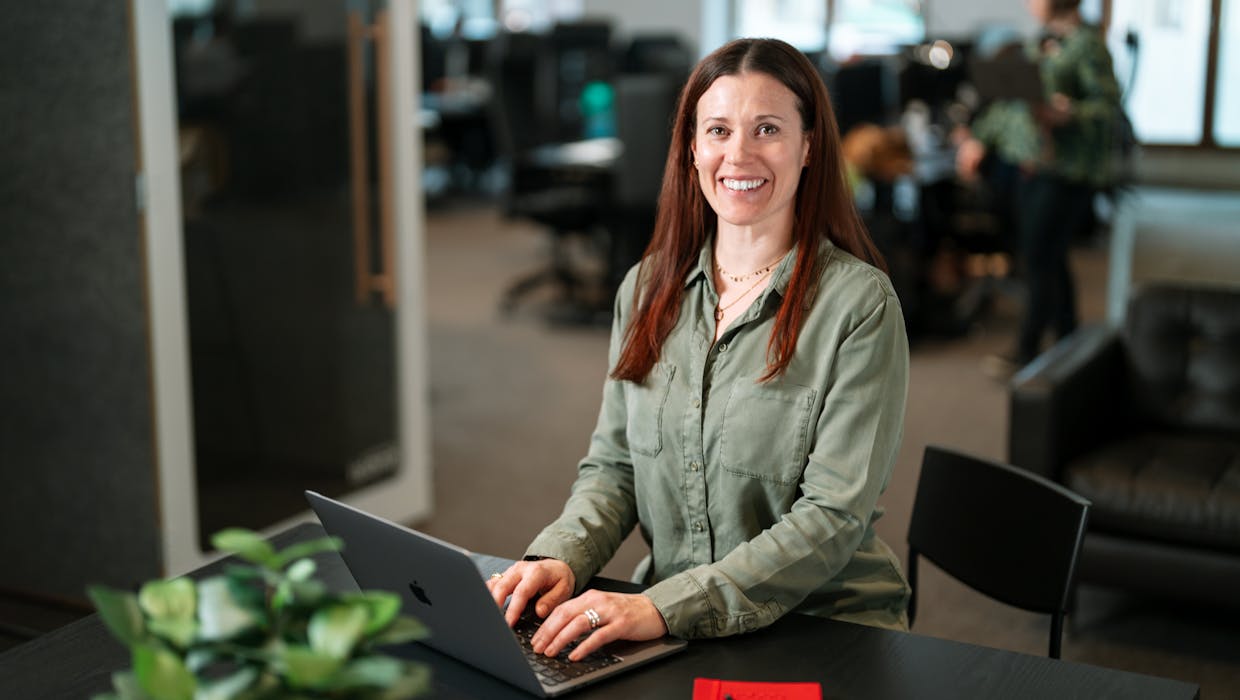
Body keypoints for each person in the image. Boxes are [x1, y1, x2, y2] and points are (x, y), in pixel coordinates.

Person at [486, 37, 910, 661]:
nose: (738, 154)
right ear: (692, 147)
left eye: (767, 128)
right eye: (718, 130)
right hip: (674, 624)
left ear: (809, 146)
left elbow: (832, 519)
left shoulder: (859, 306)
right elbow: (615, 467)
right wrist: (561, 556)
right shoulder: (646, 288)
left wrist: (661, 607)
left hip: (818, 626)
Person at [957, 0, 1122, 373]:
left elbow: (1108, 109)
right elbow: (1011, 104)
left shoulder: (1088, 45)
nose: (1030, 3)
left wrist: (1068, 113)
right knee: (1050, 256)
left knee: (1038, 257)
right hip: (1031, 166)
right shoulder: (1042, 41)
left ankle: (1029, 348)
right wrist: (979, 139)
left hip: (1068, 169)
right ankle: (1070, 342)